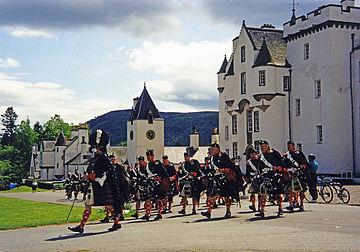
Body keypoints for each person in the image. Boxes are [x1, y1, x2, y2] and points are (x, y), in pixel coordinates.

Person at [68, 130, 124, 233]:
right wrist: (87, 176)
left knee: (109, 206)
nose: (95, 149)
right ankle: (81, 226)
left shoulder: (104, 159)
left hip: (102, 186)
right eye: (95, 147)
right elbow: (90, 171)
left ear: (101, 148)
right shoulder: (94, 159)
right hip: (93, 186)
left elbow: (107, 172)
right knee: (88, 204)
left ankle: (117, 223)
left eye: (97, 147)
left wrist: (95, 176)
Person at [201, 143, 237, 219]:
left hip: (224, 179)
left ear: (217, 149)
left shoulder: (224, 156)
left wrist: (224, 170)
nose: (211, 151)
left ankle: (228, 211)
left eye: (212, 149)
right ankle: (208, 212)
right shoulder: (211, 158)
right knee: (212, 196)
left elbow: (230, 166)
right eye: (210, 149)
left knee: (226, 197)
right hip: (216, 180)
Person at [257, 140, 287, 218]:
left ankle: (280, 207)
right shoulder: (261, 156)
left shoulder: (274, 153)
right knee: (262, 193)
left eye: (263, 146)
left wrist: (278, 168)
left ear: (267, 146)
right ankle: (262, 210)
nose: (262, 148)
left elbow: (282, 163)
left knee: (278, 194)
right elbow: (259, 167)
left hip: (275, 175)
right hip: (265, 176)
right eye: (261, 147)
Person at [283, 141, 308, 212]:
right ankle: (291, 204)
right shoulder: (286, 155)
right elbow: (284, 164)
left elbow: (304, 162)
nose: (288, 147)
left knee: (301, 190)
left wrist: (303, 166)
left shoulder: (299, 153)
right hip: (291, 174)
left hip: (299, 173)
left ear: (293, 146)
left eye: (290, 145)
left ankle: (301, 204)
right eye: (288, 146)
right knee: (291, 190)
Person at [145, 150, 170, 221]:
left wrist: (159, 177)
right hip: (152, 183)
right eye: (147, 156)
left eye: (149, 156)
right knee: (148, 199)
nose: (148, 158)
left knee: (159, 199)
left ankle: (159, 213)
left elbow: (164, 172)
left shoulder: (157, 163)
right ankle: (147, 214)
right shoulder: (148, 165)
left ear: (153, 156)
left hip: (160, 183)